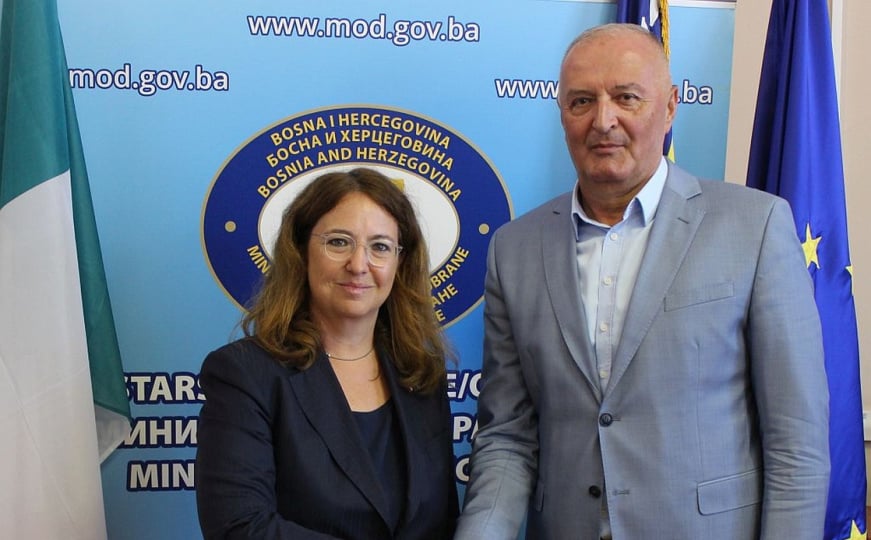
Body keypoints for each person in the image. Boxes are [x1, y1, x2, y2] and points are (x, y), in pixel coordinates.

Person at [455, 23, 830, 540]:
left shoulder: (755, 227)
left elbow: (796, 445)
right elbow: (507, 437)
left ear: (671, 107)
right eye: (581, 101)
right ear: (561, 114)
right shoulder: (514, 249)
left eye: (626, 97)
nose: (603, 120)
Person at [195, 167, 458, 539]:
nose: (359, 265)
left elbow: (443, 521)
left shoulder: (421, 373)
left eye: (380, 247)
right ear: (301, 251)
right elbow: (239, 527)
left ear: (400, 264)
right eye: (338, 242)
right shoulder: (245, 374)